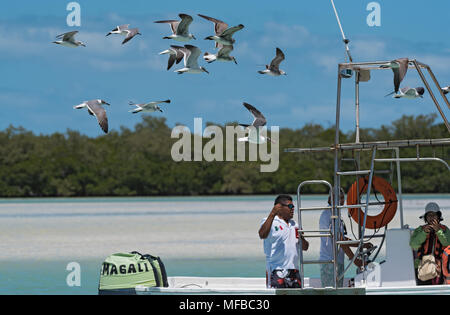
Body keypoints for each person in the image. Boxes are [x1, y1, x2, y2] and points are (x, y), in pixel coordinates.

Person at [319, 188, 373, 287]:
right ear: (332, 198)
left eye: (343, 198)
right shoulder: (329, 214)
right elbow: (340, 239)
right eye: (340, 198)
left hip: (337, 260)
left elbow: (343, 239)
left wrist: (361, 244)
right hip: (330, 261)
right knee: (331, 292)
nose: (342, 201)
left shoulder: (336, 214)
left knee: (338, 290)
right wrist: (355, 260)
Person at [258, 194, 309, 288]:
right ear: (279, 208)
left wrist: (301, 237)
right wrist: (272, 213)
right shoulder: (269, 221)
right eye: (290, 206)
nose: (293, 209)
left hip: (294, 270)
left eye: (293, 206)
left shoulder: (295, 225)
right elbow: (262, 234)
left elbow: (305, 247)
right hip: (276, 269)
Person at [410, 202, 450, 285]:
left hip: (440, 268)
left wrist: (438, 231)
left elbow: (447, 244)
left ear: (438, 217)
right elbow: (413, 245)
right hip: (422, 266)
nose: (431, 217)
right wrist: (424, 233)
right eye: (429, 215)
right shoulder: (420, 230)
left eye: (434, 215)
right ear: (425, 218)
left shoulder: (445, 230)